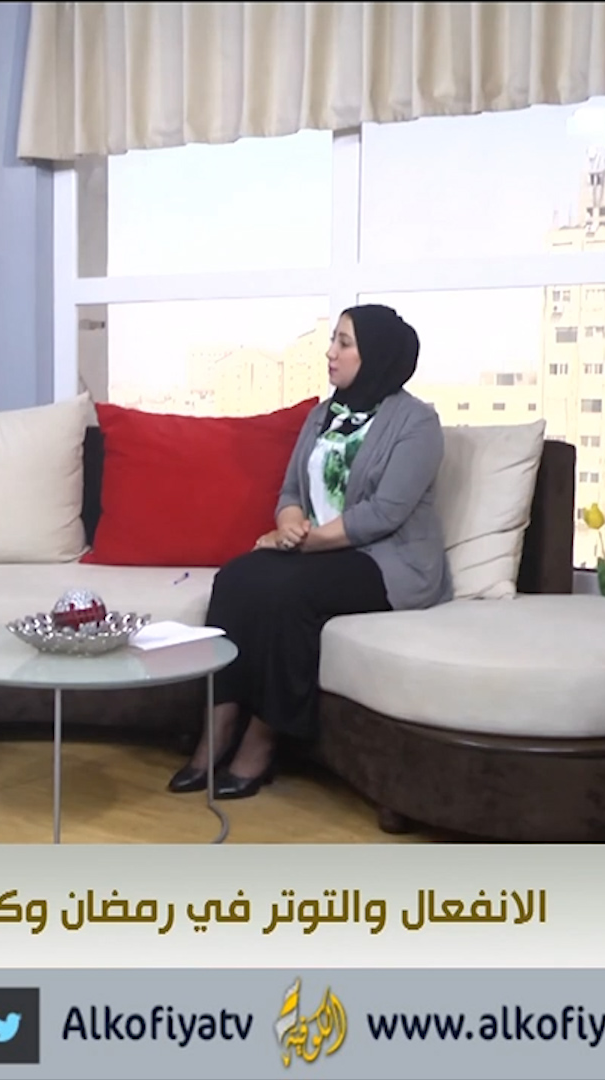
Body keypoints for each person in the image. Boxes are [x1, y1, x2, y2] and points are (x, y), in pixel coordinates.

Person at [170, 304, 452, 800]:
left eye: (344, 342)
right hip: (315, 550)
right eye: (333, 340)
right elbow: (290, 492)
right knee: (236, 579)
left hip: (386, 561)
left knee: (288, 594)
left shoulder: (417, 423)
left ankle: (262, 740)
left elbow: (384, 513)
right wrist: (288, 524)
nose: (330, 353)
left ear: (376, 354)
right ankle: (219, 725)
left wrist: (298, 542)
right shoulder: (324, 415)